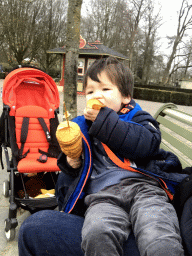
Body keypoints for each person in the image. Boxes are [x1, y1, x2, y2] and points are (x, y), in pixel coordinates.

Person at [19, 57, 187, 256]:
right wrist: (72, 162)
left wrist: (105, 121)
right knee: (97, 233)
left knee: (159, 235)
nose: (96, 96)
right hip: (103, 197)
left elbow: (147, 144)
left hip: (145, 191)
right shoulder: (83, 126)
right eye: (90, 91)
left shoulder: (137, 117)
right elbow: (74, 170)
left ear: (125, 97)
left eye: (105, 89)